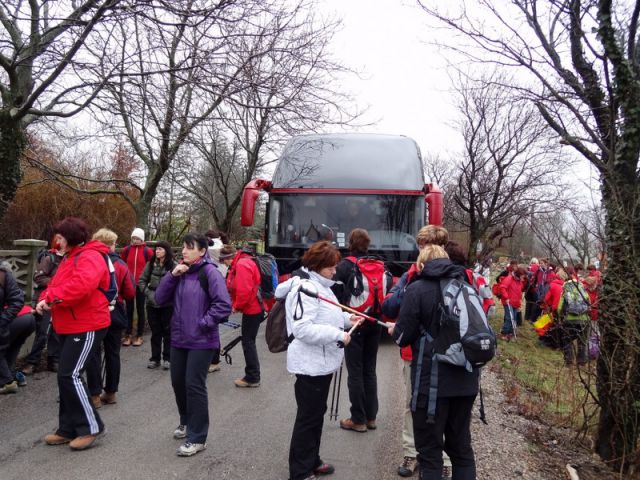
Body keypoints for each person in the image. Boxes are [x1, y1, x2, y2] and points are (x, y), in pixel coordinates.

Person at [274, 240, 363, 480]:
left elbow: (327, 315)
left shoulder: (320, 286)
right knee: (308, 417)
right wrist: (337, 334)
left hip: (321, 363)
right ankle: (300, 470)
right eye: (330, 267)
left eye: (335, 267)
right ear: (315, 265)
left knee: (315, 413)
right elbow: (303, 329)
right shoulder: (305, 288)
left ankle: (312, 460)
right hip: (310, 364)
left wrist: (347, 320)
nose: (334, 271)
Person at [388, 245, 478, 480]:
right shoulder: (467, 286)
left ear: (420, 265)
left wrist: (394, 330)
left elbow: (402, 337)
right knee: (461, 450)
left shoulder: (417, 289)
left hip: (431, 387)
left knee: (429, 453)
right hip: (466, 382)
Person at [36, 217, 111, 451]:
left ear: (70, 237)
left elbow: (81, 286)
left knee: (70, 375)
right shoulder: (71, 257)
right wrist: (42, 300)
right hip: (70, 324)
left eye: (60, 236)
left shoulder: (89, 256)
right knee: (65, 377)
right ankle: (68, 428)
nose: (56, 241)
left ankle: (90, 427)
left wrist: (50, 299)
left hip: (88, 323)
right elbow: (54, 286)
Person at [383, 225, 451, 479]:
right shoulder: (411, 275)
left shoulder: (456, 277)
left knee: (442, 407)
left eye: (426, 245)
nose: (422, 250)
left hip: (446, 356)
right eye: (421, 245)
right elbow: (389, 306)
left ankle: (441, 457)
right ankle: (412, 452)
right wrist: (408, 287)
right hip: (414, 353)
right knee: (413, 404)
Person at [155, 233, 232, 457]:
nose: (184, 251)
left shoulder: (210, 273)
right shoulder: (180, 271)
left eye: (190, 248)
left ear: (202, 251)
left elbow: (223, 304)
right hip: (178, 338)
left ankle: (198, 437)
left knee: (194, 385)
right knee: (178, 382)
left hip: (202, 340)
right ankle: (186, 422)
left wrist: (203, 323)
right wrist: (171, 275)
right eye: (183, 247)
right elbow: (159, 299)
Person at [332, 228, 388, 433]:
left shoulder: (345, 266)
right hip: (375, 322)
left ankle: (358, 419)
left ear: (350, 243)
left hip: (354, 323)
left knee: (355, 372)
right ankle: (371, 417)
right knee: (369, 370)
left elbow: (335, 294)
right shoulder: (379, 264)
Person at [86, 228, 136, 408]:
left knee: (93, 353)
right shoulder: (120, 264)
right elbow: (130, 291)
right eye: (114, 243)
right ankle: (111, 392)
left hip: (94, 311)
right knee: (113, 353)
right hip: (115, 310)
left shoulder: (90, 260)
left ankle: (94, 394)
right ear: (110, 244)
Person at [22, 242, 63, 374]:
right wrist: (55, 283)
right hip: (44, 299)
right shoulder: (49, 258)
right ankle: (32, 362)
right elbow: (38, 277)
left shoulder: (71, 259)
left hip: (60, 299)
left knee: (57, 331)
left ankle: (53, 360)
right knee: (43, 332)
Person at [227, 246, 263, 388]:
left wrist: (237, 306)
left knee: (248, 342)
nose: (226, 266)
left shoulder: (242, 264)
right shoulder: (247, 260)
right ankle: (253, 375)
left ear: (229, 258)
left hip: (252, 308)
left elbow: (244, 290)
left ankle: (253, 377)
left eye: (225, 262)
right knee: (249, 341)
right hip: (255, 306)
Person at [139, 241, 176, 370]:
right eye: (156, 249)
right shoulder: (150, 264)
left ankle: (168, 358)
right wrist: (149, 294)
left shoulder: (173, 266)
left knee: (168, 332)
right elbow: (142, 281)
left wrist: (168, 296)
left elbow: (177, 284)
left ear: (166, 250)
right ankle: (155, 358)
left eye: (160, 249)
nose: (157, 251)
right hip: (151, 304)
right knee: (155, 332)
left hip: (168, 305)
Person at [0, 265, 31, 394]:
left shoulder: (3, 274)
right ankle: (11, 377)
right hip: (26, 318)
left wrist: (2, 320)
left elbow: (17, 300)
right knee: (8, 350)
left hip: (17, 321)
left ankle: (7, 381)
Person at [121, 227, 154, 347]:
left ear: (142, 239)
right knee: (128, 310)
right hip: (129, 284)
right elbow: (122, 264)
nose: (135, 240)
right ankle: (128, 334)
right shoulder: (126, 250)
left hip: (141, 284)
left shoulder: (148, 251)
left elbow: (152, 267)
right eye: (133, 238)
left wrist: (148, 281)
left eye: (137, 239)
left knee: (140, 309)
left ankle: (139, 335)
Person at [208, 245, 236, 374]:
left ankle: (214, 362)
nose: (224, 263)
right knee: (214, 333)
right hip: (222, 303)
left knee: (213, 333)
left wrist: (235, 305)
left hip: (219, 304)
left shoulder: (236, 267)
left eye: (224, 260)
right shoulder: (230, 268)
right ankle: (213, 361)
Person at [558, 267, 591, 366]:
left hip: (570, 320)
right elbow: (589, 304)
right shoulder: (583, 290)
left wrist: (561, 316)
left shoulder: (565, 290)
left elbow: (559, 307)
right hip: (584, 320)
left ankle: (569, 361)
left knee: (567, 340)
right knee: (582, 341)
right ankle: (581, 362)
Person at [498, 265, 526, 341]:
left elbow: (519, 291)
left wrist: (519, 301)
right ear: (519, 274)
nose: (523, 278)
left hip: (515, 302)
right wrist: (506, 297)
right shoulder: (509, 278)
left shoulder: (519, 281)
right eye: (523, 276)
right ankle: (504, 333)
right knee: (509, 318)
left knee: (514, 318)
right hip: (508, 302)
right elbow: (502, 288)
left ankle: (510, 332)